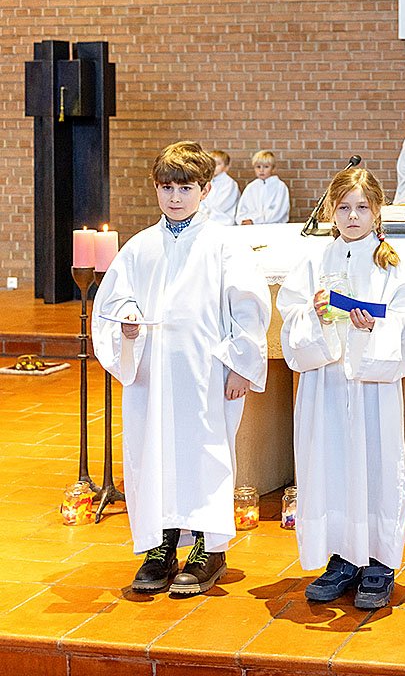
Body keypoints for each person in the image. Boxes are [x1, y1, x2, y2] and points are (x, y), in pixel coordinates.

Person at [93, 141, 270, 596]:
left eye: (185, 188)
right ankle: (162, 544)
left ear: (206, 190)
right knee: (153, 453)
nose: (175, 197)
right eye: (167, 187)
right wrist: (127, 326)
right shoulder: (140, 247)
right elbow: (115, 301)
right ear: (155, 187)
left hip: (206, 373)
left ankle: (210, 549)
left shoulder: (224, 245)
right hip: (152, 375)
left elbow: (248, 307)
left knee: (205, 453)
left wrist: (242, 364)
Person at [277, 167, 405, 611]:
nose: (353, 216)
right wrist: (316, 317)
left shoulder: (394, 266)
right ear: (330, 211)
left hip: (371, 389)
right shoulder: (313, 263)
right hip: (325, 384)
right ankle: (342, 556)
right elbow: (290, 316)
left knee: (375, 463)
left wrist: (374, 326)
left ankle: (379, 561)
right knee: (330, 464)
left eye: (362, 207)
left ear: (378, 211)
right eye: (343, 207)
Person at [236, 150, 290, 224]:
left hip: (274, 226)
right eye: (258, 167)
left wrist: (255, 220)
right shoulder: (251, 187)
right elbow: (242, 210)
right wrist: (244, 220)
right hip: (252, 227)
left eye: (266, 167)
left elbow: (279, 211)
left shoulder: (280, 187)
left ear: (273, 168)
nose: (261, 170)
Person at [201, 149, 240, 226]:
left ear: (226, 167)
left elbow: (223, 205)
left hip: (224, 221)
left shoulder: (230, 184)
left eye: (218, 164)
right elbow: (201, 200)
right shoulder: (207, 182)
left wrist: (209, 212)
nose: (214, 166)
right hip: (206, 220)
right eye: (212, 163)